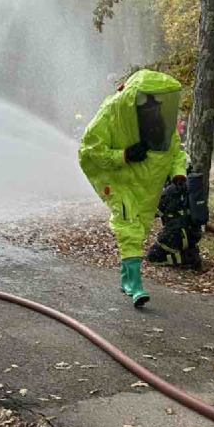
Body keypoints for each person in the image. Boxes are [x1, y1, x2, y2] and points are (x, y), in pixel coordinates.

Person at [79, 70, 188, 308]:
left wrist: (178, 173)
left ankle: (127, 277)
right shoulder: (112, 111)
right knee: (129, 224)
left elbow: (175, 150)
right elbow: (89, 149)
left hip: (148, 184)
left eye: (156, 102)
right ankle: (135, 284)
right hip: (118, 181)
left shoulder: (161, 118)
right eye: (147, 102)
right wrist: (123, 156)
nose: (153, 107)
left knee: (141, 226)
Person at [146, 177, 203, 270]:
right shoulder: (191, 189)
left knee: (153, 256)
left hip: (176, 234)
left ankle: (185, 260)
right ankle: (190, 254)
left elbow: (154, 212)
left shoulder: (169, 191)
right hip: (194, 234)